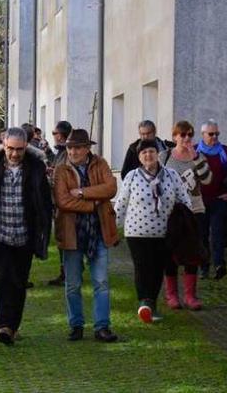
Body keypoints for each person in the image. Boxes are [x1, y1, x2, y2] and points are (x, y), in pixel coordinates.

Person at [0, 127, 53, 346]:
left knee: (19, 282)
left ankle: (13, 325)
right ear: (3, 145)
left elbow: (43, 202)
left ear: (26, 147)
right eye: (10, 149)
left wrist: (43, 232)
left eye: (19, 150)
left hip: (25, 234)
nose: (14, 154)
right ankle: (4, 326)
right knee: (2, 279)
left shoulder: (35, 168)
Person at [53, 129, 119, 343]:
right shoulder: (61, 170)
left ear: (87, 148)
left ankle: (102, 326)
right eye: (70, 147)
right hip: (72, 232)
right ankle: (76, 324)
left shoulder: (100, 163)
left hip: (99, 230)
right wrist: (93, 204)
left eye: (77, 147)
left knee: (101, 281)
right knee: (72, 283)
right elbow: (63, 201)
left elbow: (110, 188)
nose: (73, 151)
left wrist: (82, 193)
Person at [115, 139, 192, 323]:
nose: (148, 156)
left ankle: (152, 305)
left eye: (151, 151)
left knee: (158, 270)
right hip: (137, 232)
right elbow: (121, 204)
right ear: (139, 157)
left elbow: (184, 200)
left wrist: (185, 222)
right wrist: (112, 230)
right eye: (144, 153)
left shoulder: (171, 175)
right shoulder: (132, 176)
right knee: (143, 267)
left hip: (163, 233)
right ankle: (144, 303)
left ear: (158, 154)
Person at [160, 121, 212, 310]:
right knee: (170, 254)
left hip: (194, 210)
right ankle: (172, 295)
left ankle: (190, 296)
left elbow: (207, 179)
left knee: (192, 253)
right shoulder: (164, 157)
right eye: (182, 135)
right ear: (175, 137)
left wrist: (196, 158)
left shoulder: (199, 157)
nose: (187, 139)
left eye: (190, 135)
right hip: (170, 212)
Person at [196, 119, 227, 280]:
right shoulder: (195, 151)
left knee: (218, 233)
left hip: (219, 200)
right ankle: (204, 267)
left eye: (217, 134)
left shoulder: (224, 151)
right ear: (203, 135)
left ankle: (219, 264)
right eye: (211, 134)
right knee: (201, 235)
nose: (214, 137)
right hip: (200, 201)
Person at [47, 120, 73, 287]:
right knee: (61, 238)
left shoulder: (68, 152)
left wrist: (53, 174)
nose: (54, 136)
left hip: (66, 202)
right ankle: (66, 271)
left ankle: (68, 273)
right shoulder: (60, 152)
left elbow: (66, 176)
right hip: (58, 201)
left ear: (62, 134)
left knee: (66, 238)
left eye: (55, 133)